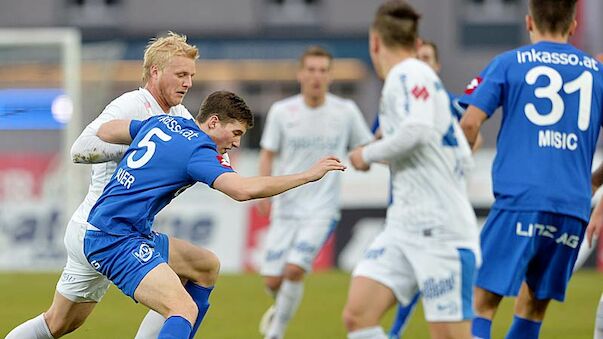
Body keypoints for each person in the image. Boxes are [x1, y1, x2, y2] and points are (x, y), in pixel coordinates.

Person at [76, 90, 346, 338]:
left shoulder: (164, 123)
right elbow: (242, 191)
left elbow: (108, 130)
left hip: (128, 231)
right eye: (236, 132)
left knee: (206, 266)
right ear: (214, 122)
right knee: (183, 309)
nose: (237, 143)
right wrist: (308, 175)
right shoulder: (198, 151)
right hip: (113, 239)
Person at [6, 31, 205, 339]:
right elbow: (80, 148)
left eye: (191, 75)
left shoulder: (178, 115)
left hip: (116, 230)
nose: (188, 83)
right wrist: (139, 151)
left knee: (59, 323)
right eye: (181, 74)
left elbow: (200, 154)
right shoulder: (131, 105)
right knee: (184, 292)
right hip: (104, 230)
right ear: (155, 71)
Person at [459, 1, 603, 338]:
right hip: (572, 207)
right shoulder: (597, 73)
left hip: (521, 199)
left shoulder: (509, 63)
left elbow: (469, 123)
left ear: (529, 22)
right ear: (572, 25)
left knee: (480, 303)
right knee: (533, 308)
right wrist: (593, 182)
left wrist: (455, 170)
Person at [343, 1, 479, 339]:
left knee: (448, 335)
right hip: (404, 225)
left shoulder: (409, 73)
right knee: (358, 315)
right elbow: (461, 154)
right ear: (417, 42)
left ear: (375, 42)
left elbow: (418, 131)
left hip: (441, 231)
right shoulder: (412, 77)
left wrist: (368, 154)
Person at [257, 45, 373, 339]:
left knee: (295, 270)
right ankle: (281, 307)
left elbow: (364, 146)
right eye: (311, 70)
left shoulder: (345, 111)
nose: (316, 76)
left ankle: (276, 333)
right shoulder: (282, 112)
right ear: (300, 74)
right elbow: (268, 153)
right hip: (286, 207)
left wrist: (370, 156)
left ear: (330, 76)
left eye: (323, 71)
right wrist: (263, 190)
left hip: (322, 208)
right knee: (272, 280)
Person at [387, 39, 484, 339]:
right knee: (401, 283)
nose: (421, 63)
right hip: (404, 206)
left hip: (441, 212)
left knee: (441, 302)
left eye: (427, 58)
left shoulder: (451, 104)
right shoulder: (398, 104)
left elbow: (474, 137)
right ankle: (393, 331)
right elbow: (378, 137)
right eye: (417, 57)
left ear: (437, 65)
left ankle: (394, 332)